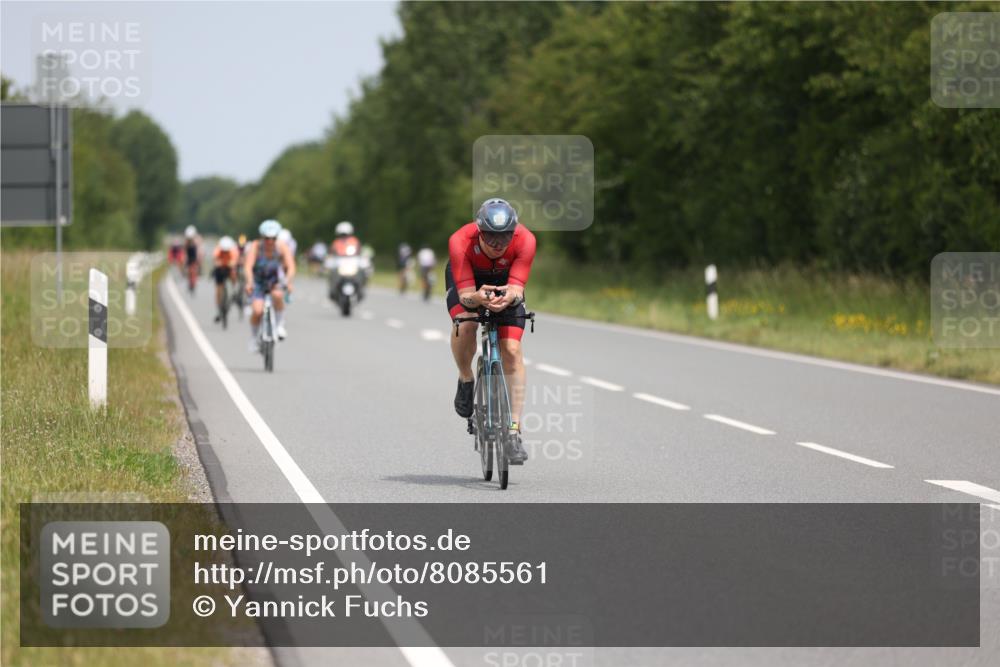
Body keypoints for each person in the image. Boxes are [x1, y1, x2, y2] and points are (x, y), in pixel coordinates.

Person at [447, 198, 536, 464]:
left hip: (505, 283)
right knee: (468, 322)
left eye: (505, 237)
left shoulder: (526, 240)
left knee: (511, 349)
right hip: (469, 282)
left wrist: (509, 297)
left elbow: (517, 287)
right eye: (490, 237)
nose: (498, 245)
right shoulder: (460, 240)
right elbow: (465, 297)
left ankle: (513, 432)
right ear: (479, 231)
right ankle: (465, 377)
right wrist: (479, 298)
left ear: (514, 232)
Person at [243, 219, 296, 350]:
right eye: (267, 238)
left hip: (274, 280)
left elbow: (291, 266)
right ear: (262, 237)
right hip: (258, 281)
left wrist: (288, 281)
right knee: (257, 310)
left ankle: (279, 325)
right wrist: (249, 282)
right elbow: (248, 266)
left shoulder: (281, 246)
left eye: (273, 238)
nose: (270, 242)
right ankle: (254, 338)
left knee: (278, 295)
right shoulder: (256, 246)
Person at [212, 236, 239, 322]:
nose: (225, 251)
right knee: (219, 289)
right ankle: (219, 308)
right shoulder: (218, 249)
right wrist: (218, 263)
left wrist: (231, 264)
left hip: (229, 267)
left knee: (233, 273)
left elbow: (234, 261)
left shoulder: (234, 250)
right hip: (220, 268)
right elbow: (215, 259)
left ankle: (234, 289)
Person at [183, 225, 202, 293]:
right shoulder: (186, 242)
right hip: (189, 257)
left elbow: (199, 251)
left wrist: (198, 259)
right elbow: (185, 251)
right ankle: (190, 281)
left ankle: (194, 281)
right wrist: (185, 258)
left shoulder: (197, 240)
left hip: (194, 257)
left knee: (194, 270)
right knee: (188, 270)